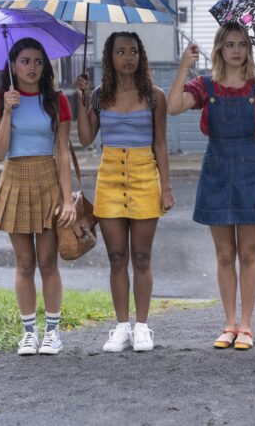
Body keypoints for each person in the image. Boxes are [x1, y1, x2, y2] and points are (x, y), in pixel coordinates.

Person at [167, 22, 255, 350]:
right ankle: (228, 323)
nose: (236, 50)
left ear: (248, 49)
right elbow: (173, 107)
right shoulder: (205, 85)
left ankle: (246, 325)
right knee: (225, 254)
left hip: (251, 172)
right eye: (229, 44)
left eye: (242, 44)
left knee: (248, 252)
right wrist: (182, 68)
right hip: (216, 170)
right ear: (219, 49)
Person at [75, 31, 174, 353]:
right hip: (109, 177)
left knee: (142, 256)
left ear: (140, 56)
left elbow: (160, 144)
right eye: (120, 51)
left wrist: (166, 188)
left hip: (146, 175)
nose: (127, 57)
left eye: (133, 51)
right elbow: (87, 138)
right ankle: (121, 327)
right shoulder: (100, 96)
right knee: (117, 257)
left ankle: (143, 326)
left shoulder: (155, 96)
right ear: (110, 57)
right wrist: (82, 98)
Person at [0, 37, 76, 356]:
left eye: (38, 61)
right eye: (25, 61)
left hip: (47, 177)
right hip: (15, 178)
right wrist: (9, 112)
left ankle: (53, 332)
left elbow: (63, 152)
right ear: (12, 65)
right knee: (24, 263)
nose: (32, 67)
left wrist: (67, 201)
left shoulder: (56, 100)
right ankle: (29, 332)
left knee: (48, 261)